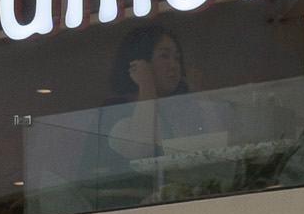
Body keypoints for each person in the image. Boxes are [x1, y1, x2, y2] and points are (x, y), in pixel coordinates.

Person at [96, 20, 230, 187]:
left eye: (177, 58)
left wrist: (200, 96)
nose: (174, 66)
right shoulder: (115, 109)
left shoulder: (172, 111)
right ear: (141, 62)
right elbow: (140, 148)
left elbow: (217, 149)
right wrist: (146, 84)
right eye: (164, 56)